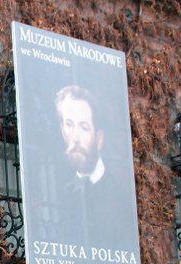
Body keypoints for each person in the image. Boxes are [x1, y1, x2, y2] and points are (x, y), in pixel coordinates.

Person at [53, 84, 134, 243]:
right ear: (62, 130)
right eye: (69, 124)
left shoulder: (118, 194)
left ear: (99, 139)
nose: (75, 138)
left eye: (84, 127)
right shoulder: (60, 189)